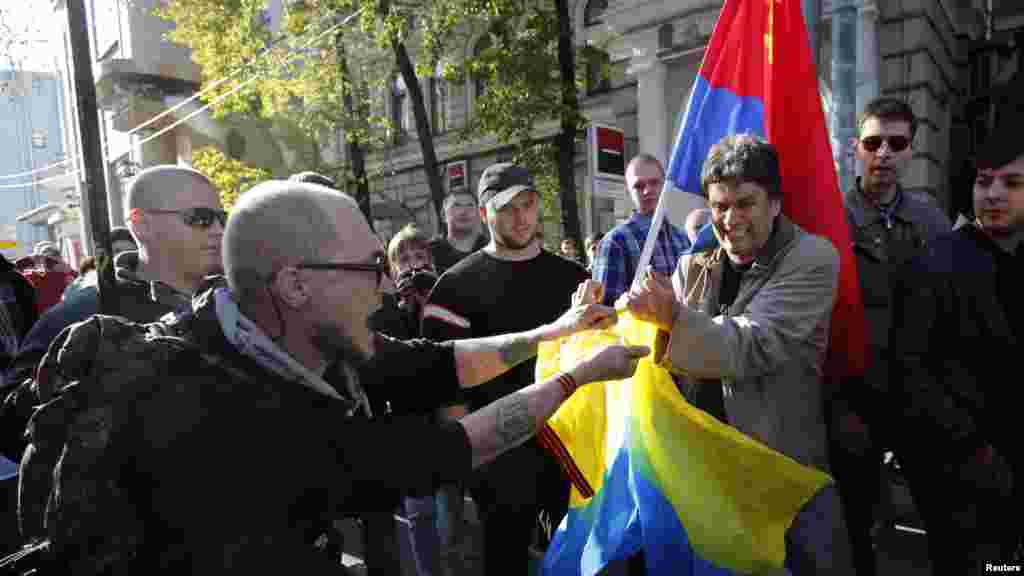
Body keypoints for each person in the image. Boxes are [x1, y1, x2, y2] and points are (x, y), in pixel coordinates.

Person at [16, 179, 644, 573]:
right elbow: (444, 451)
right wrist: (579, 376)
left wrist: (551, 335)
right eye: (369, 267)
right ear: (295, 284)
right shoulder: (230, 418)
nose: (384, 286)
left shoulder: (267, 331)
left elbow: (435, 363)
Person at [620, 134, 854, 574]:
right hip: (708, 473)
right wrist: (613, 324)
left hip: (782, 472)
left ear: (777, 203)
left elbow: (754, 342)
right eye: (719, 206)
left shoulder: (814, 258)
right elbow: (660, 349)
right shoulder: (694, 264)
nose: (730, 220)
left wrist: (670, 316)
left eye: (745, 204)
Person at [421, 162, 591, 574]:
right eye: (507, 208)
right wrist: (465, 456)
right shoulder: (455, 286)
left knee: (567, 558)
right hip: (497, 452)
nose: (520, 217)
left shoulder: (574, 278)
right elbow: (442, 381)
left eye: (528, 205)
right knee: (505, 559)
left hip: (564, 445)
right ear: (484, 214)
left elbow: (590, 353)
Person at [2, 166, 226, 451]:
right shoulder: (84, 311)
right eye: (200, 219)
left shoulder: (237, 301)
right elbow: (11, 421)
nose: (218, 230)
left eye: (222, 218)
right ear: (141, 223)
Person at [889, 110, 1024, 574]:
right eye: (985, 181)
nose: (994, 194)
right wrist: (974, 453)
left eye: (1011, 183)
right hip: (961, 476)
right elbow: (911, 370)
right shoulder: (938, 259)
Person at [833, 96, 951, 576]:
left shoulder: (930, 221)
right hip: (853, 393)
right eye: (873, 142)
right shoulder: (830, 218)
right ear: (855, 149)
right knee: (857, 519)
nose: (884, 153)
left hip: (918, 393)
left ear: (910, 152)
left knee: (940, 512)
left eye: (896, 143)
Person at [591, 153, 691, 306]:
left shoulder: (683, 239)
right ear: (628, 191)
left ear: (665, 185)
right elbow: (605, 312)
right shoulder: (615, 242)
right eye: (638, 186)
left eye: (654, 183)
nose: (647, 191)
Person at [429, 191, 487, 274]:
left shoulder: (491, 250)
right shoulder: (428, 253)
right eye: (456, 205)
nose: (464, 211)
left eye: (470, 206)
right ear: (443, 215)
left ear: (479, 214)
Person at [15, 242, 75, 315]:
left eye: (55, 254)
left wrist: (30, 259)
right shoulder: (34, 276)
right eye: (48, 257)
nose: (52, 259)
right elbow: (12, 272)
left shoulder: (69, 276)